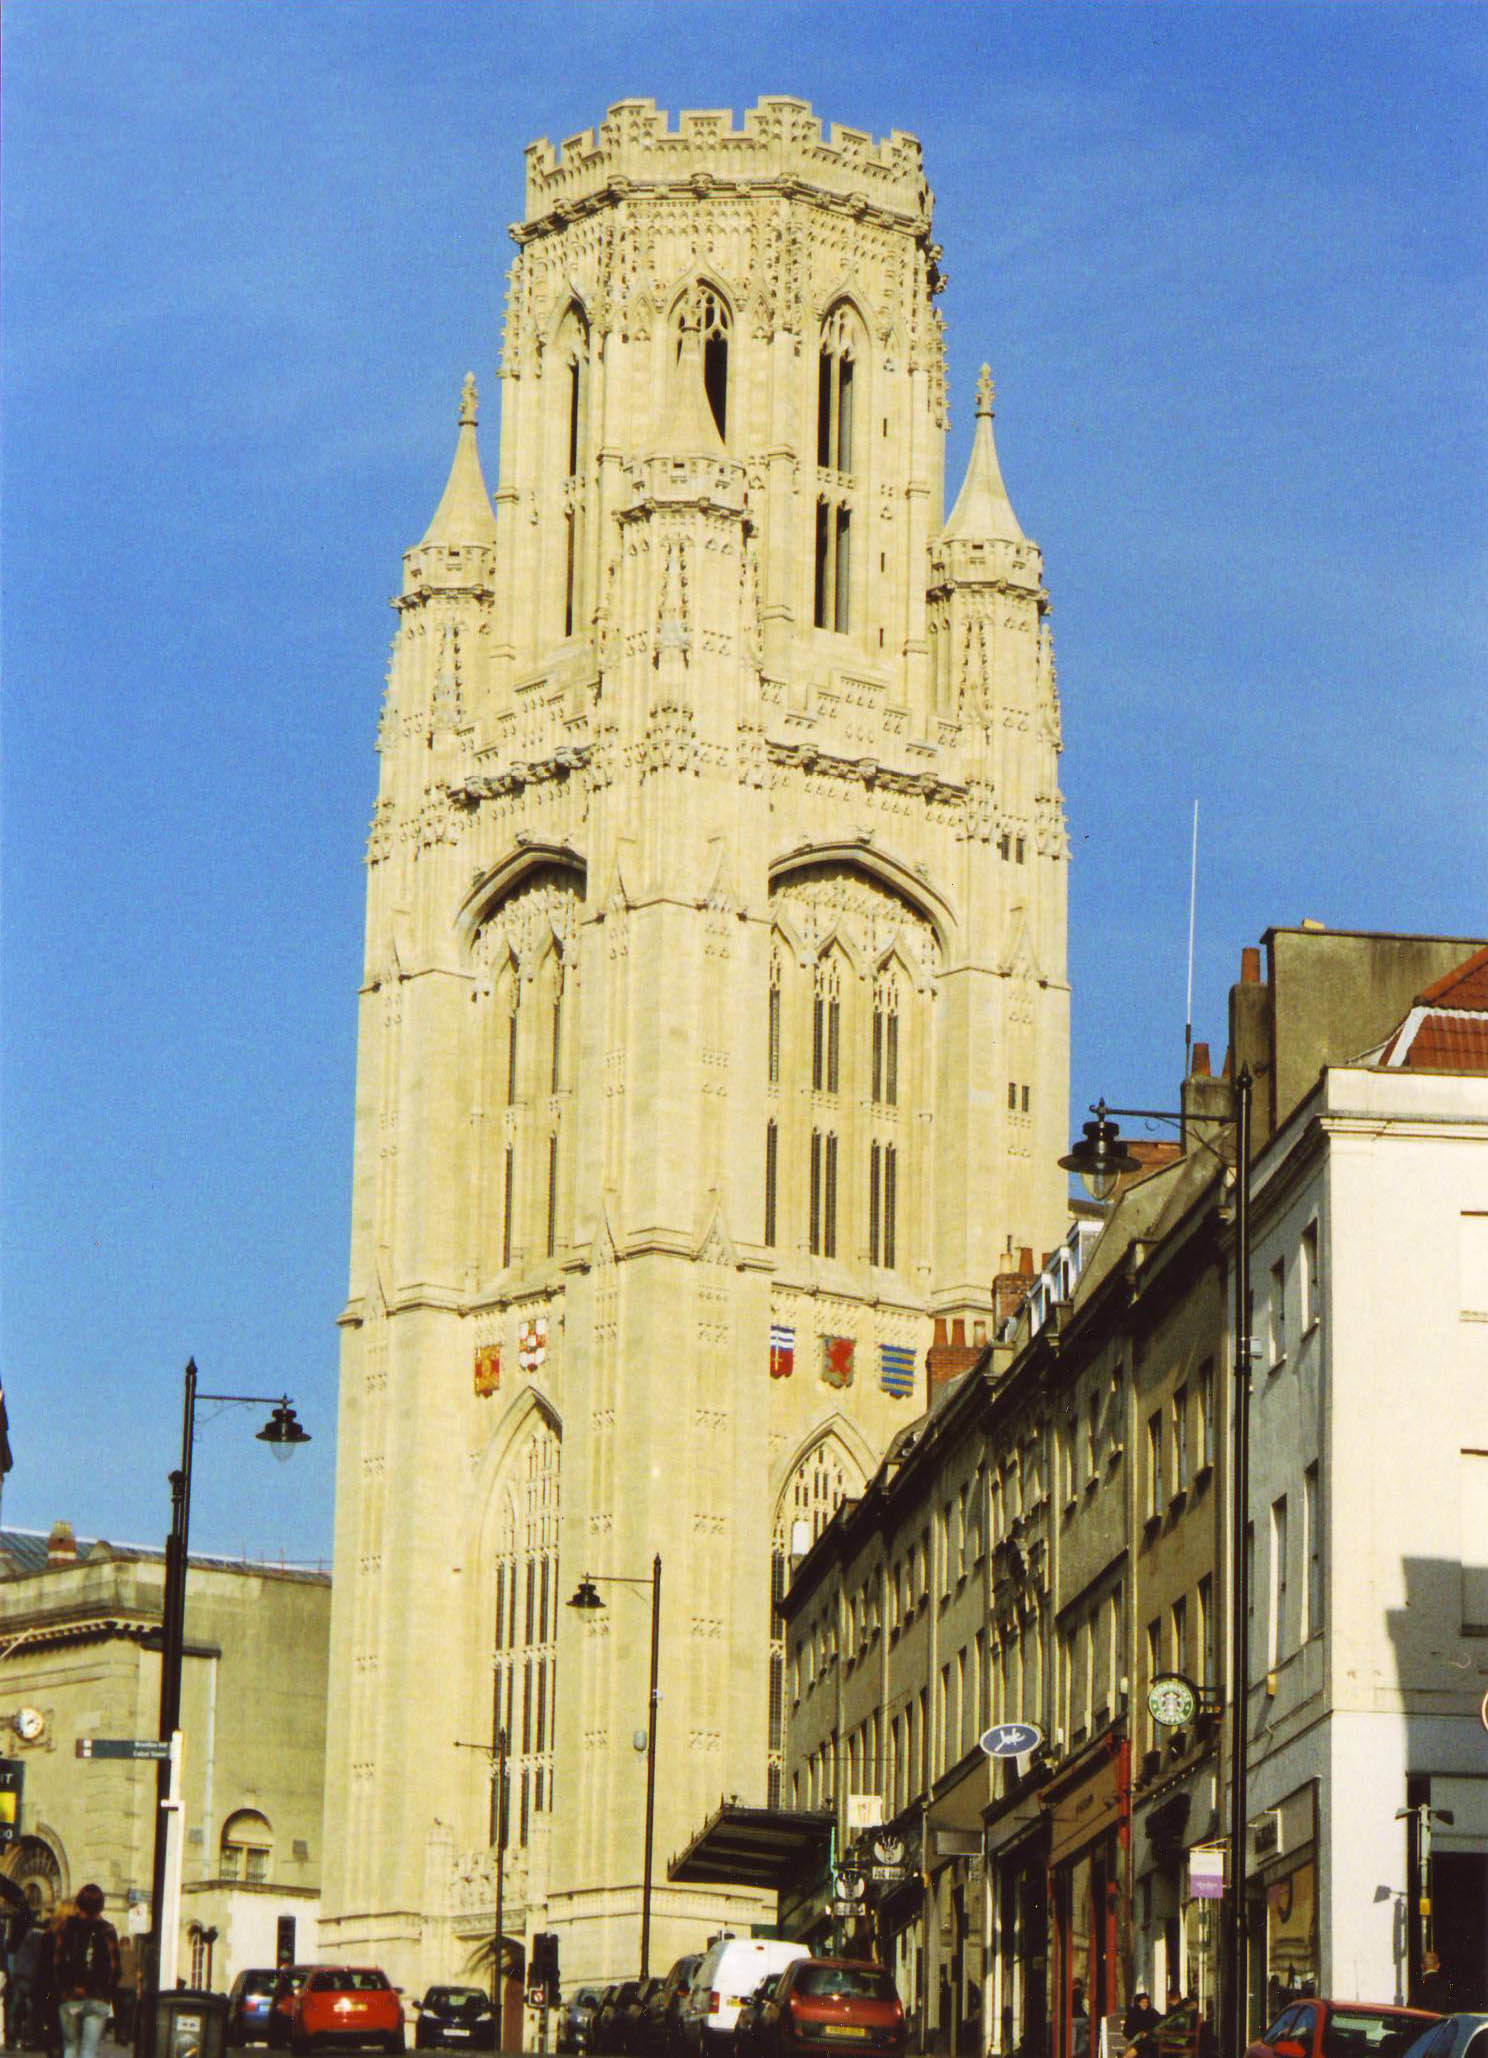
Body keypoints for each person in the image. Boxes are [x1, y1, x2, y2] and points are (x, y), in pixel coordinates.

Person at [50, 1889, 118, 2058]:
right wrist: (106, 1992)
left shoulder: (66, 1927)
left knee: (70, 2048)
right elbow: (115, 1968)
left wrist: (65, 1990)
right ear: (101, 1906)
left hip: (70, 1997)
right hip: (97, 1997)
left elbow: (57, 1963)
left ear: (79, 1903)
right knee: (89, 2051)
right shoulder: (108, 1930)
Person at [1123, 1992, 1161, 2058]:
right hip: (1136, 2038)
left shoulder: (1153, 2013)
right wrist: (1138, 2034)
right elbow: (1127, 2030)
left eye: (1146, 2002)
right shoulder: (1132, 2014)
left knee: (1146, 2043)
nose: (1145, 2004)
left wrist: (1147, 2033)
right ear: (1138, 2003)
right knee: (1141, 2043)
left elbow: (1158, 2026)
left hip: (1151, 2039)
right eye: (1142, 2002)